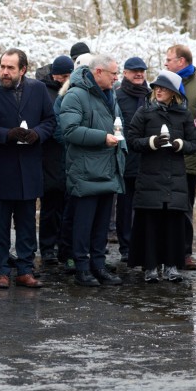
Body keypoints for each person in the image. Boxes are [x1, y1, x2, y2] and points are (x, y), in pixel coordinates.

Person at [0, 48, 56, 289]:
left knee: (27, 224)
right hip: (0, 168)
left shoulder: (38, 89)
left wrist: (36, 134)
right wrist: (6, 134)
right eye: (3, 66)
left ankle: (25, 269)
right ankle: (1, 270)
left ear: (23, 69)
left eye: (10, 67)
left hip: (29, 168)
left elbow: (50, 121)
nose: (5, 72)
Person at [57, 55, 126, 287]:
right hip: (85, 171)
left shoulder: (111, 95)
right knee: (83, 223)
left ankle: (99, 265)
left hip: (108, 169)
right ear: (98, 72)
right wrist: (102, 138)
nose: (117, 78)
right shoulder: (75, 95)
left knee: (102, 224)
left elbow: (119, 125)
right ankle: (82, 268)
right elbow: (70, 131)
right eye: (113, 73)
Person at [126, 70, 196, 282]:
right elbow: (132, 140)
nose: (158, 90)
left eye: (164, 88)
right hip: (150, 177)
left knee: (173, 225)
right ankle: (150, 267)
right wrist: (151, 142)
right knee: (150, 224)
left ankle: (171, 266)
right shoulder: (144, 112)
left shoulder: (184, 115)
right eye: (157, 87)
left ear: (174, 93)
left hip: (174, 179)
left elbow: (194, 144)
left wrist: (180, 145)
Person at [164, 44, 196, 270]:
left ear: (181, 61)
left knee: (185, 208)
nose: (165, 63)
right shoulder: (163, 83)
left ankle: (185, 253)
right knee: (163, 207)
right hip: (164, 158)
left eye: (169, 59)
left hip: (189, 160)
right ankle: (163, 252)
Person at [114, 56, 150, 265]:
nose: (138, 74)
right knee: (125, 207)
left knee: (145, 206)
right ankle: (126, 247)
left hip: (147, 160)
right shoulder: (117, 96)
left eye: (142, 71)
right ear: (125, 73)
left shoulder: (151, 96)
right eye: (134, 70)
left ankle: (143, 245)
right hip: (125, 160)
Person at [38, 55, 73, 267]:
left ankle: (63, 245)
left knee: (65, 205)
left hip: (67, 155)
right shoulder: (44, 92)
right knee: (50, 204)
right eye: (64, 76)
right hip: (50, 155)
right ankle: (47, 247)